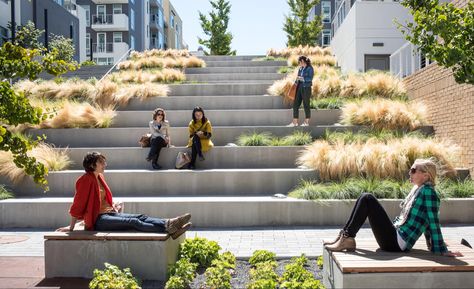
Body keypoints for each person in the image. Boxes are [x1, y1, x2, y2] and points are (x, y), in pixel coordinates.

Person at [324, 159, 463, 257]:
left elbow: (433, 221)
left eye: (413, 170)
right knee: (364, 197)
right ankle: (344, 236)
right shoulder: (419, 190)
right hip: (394, 238)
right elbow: (425, 221)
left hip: (397, 243)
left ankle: (347, 238)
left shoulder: (428, 192)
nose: (410, 173)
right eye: (410, 169)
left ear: (426, 175)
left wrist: (440, 249)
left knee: (367, 198)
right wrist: (431, 245)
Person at [56, 152, 192, 239]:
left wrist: (113, 205)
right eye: (101, 162)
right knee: (133, 222)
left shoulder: (99, 177)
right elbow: (78, 204)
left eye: (104, 162)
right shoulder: (85, 180)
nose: (105, 164)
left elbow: (101, 200)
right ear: (92, 165)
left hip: (109, 214)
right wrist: (71, 227)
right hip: (98, 221)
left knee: (140, 216)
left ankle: (168, 224)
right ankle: (169, 228)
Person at [288, 56, 314, 127]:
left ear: (303, 61)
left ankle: (306, 122)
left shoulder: (310, 68)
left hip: (306, 88)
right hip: (299, 87)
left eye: (300, 62)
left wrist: (302, 78)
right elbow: (298, 78)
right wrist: (295, 83)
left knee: (306, 104)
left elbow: (310, 79)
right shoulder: (300, 69)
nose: (299, 63)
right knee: (295, 104)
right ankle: (294, 122)